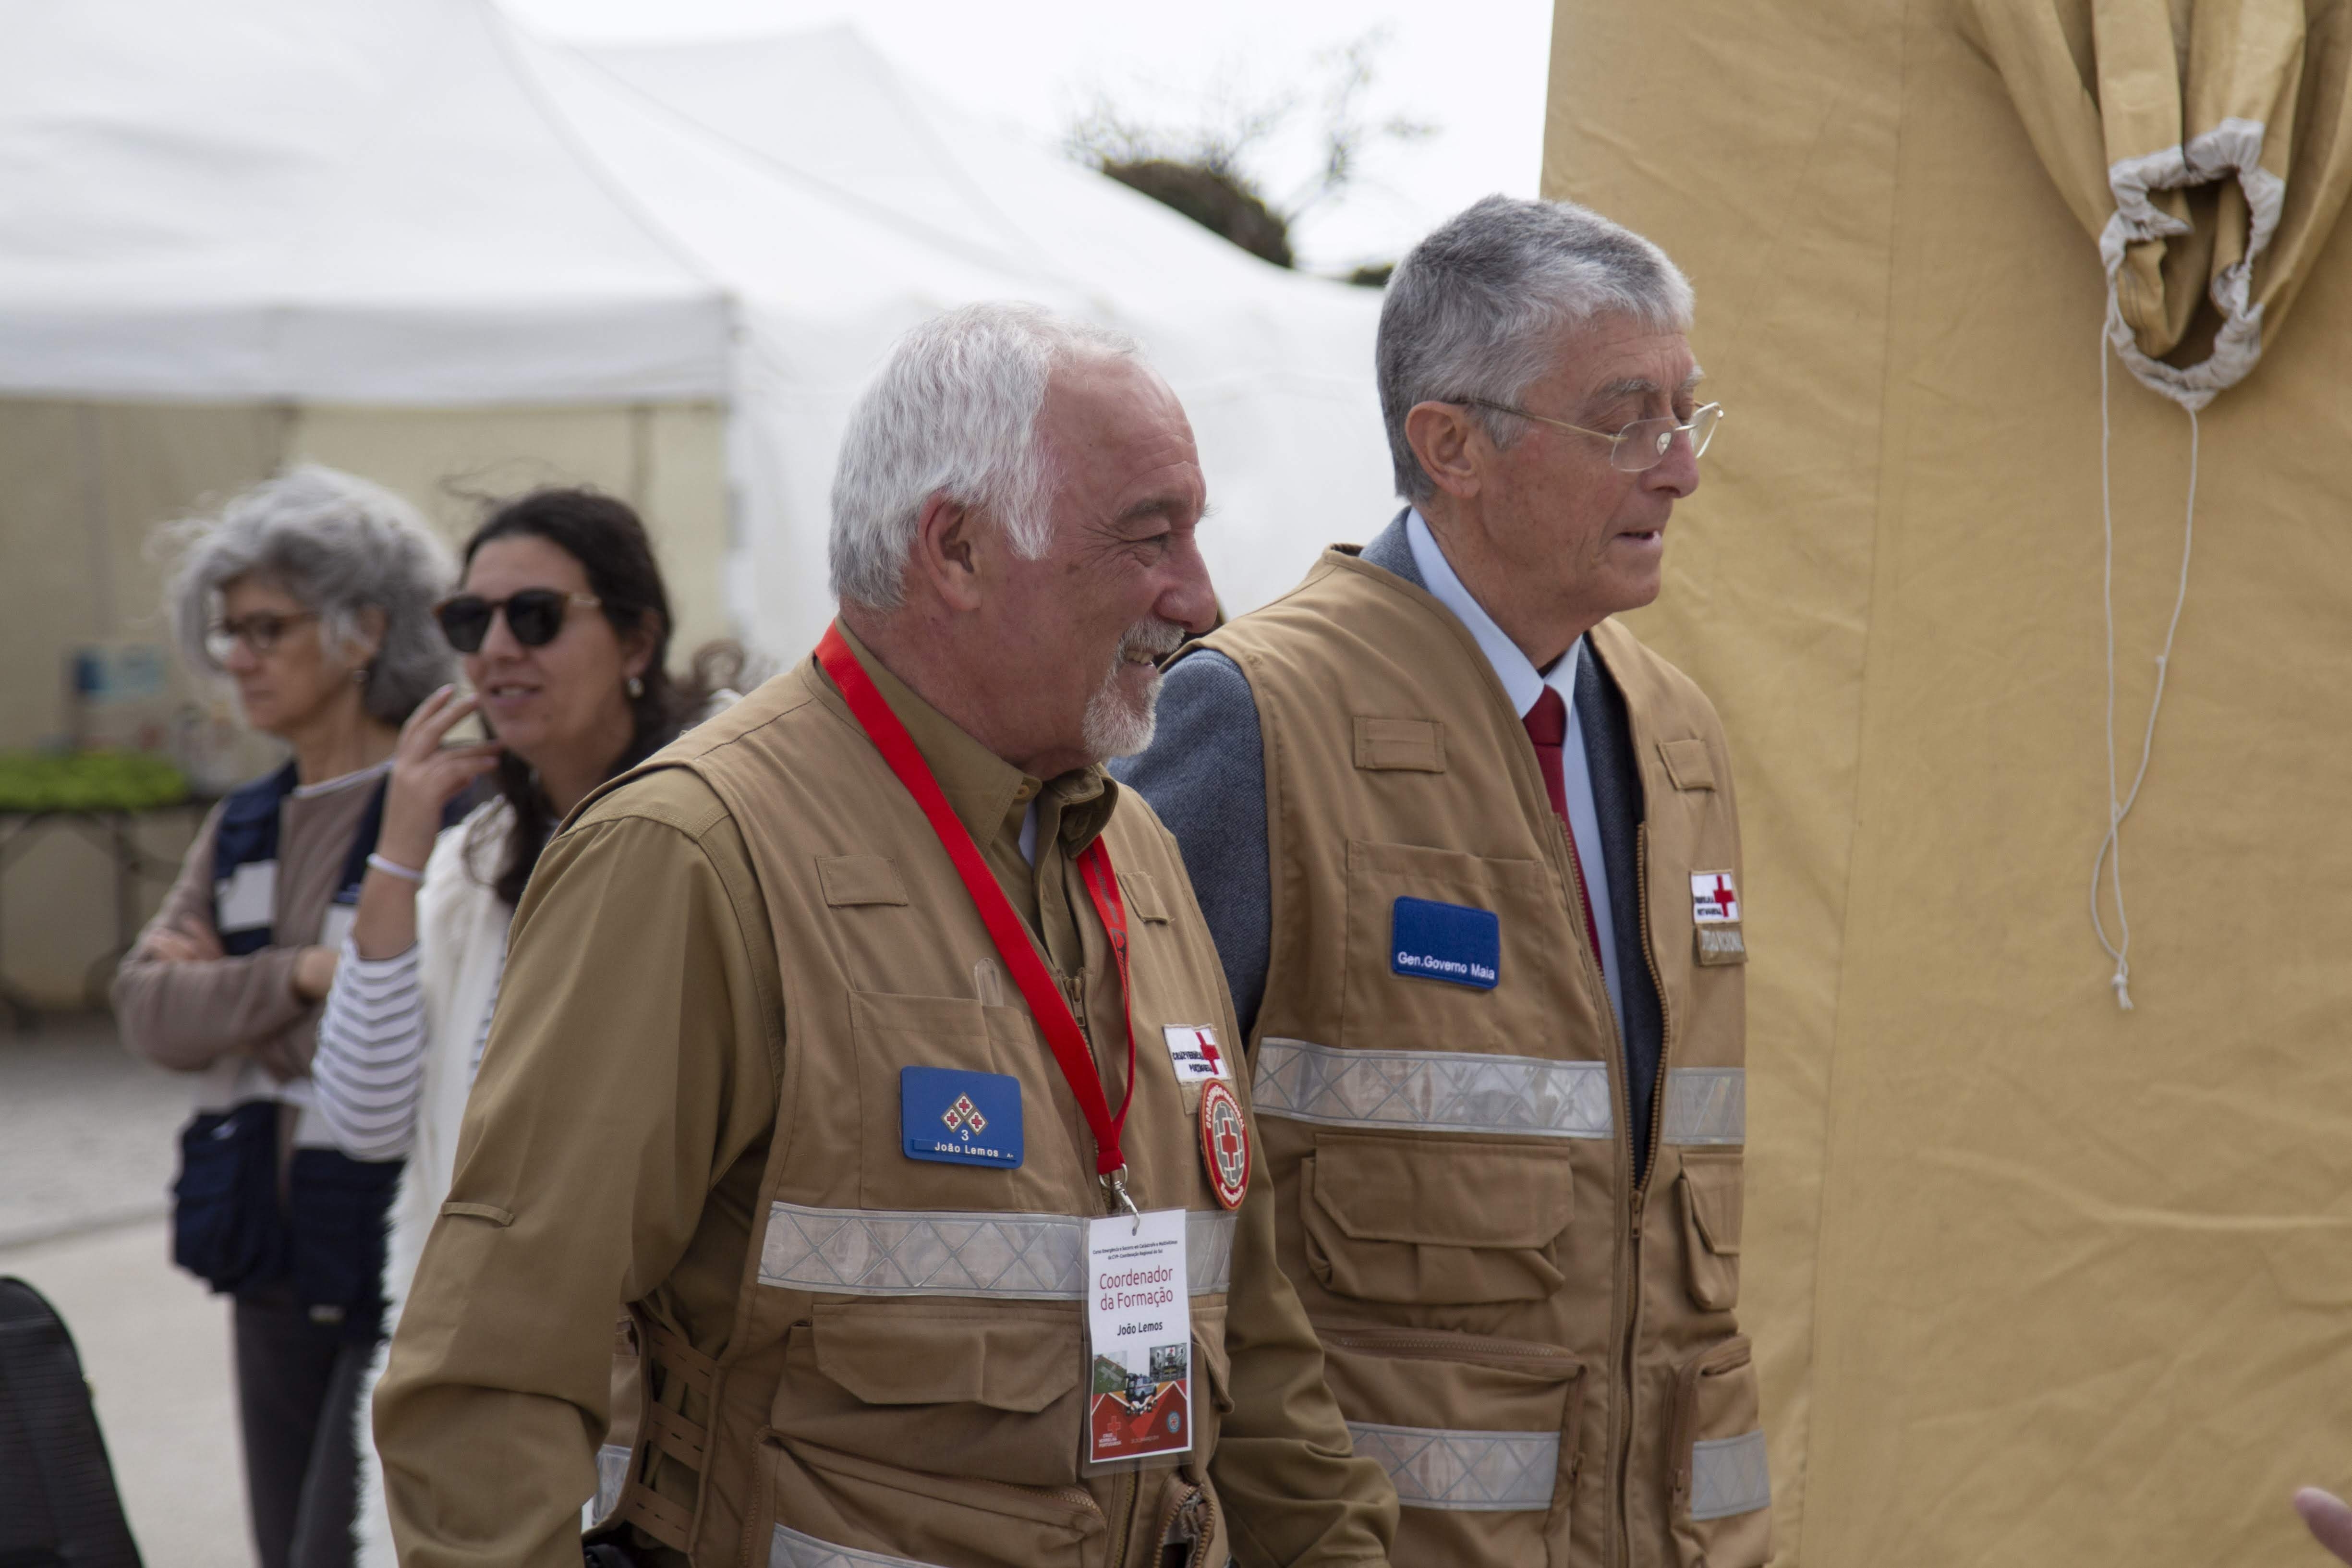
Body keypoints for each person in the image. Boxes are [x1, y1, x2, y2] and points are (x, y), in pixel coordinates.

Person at [375, 303, 1399, 1568]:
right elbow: (492, 1378)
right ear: (955, 549)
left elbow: (1255, 1351)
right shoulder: (694, 854)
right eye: (1150, 536)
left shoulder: (1129, 848)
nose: (1200, 596)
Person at [1114, 195, 1762, 1568]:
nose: (1678, 471)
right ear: (1451, 445)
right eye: (1625, 421)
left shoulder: (1678, 734)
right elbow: (1130, 1184)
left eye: (1684, 414)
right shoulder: (1254, 715)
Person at [299, 488, 742, 1565]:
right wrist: (400, 847)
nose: (497, 649)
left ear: (635, 640)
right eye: (470, 621)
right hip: (493, 1359)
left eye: (535, 616)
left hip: (672, 1383)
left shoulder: (724, 840)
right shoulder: (471, 863)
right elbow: (363, 1118)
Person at [113, 465, 455, 1568]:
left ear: (366, 631)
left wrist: (234, 995)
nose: (240, 659)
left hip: (390, 1242)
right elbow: (147, 1012)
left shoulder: (445, 807)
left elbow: (423, 1030)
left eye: (268, 628)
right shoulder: (245, 820)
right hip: (265, 1243)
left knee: (343, 1546)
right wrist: (307, 974)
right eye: (228, 633)